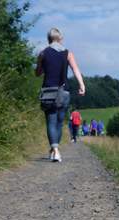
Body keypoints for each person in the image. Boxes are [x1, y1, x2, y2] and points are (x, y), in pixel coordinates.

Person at [36, 28, 86, 162]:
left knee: (51, 122)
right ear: (60, 38)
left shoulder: (43, 53)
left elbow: (38, 73)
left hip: (48, 92)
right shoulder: (68, 53)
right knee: (59, 122)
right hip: (63, 91)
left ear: (49, 39)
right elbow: (76, 69)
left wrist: (42, 64)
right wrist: (82, 85)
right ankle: (55, 150)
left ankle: (55, 150)